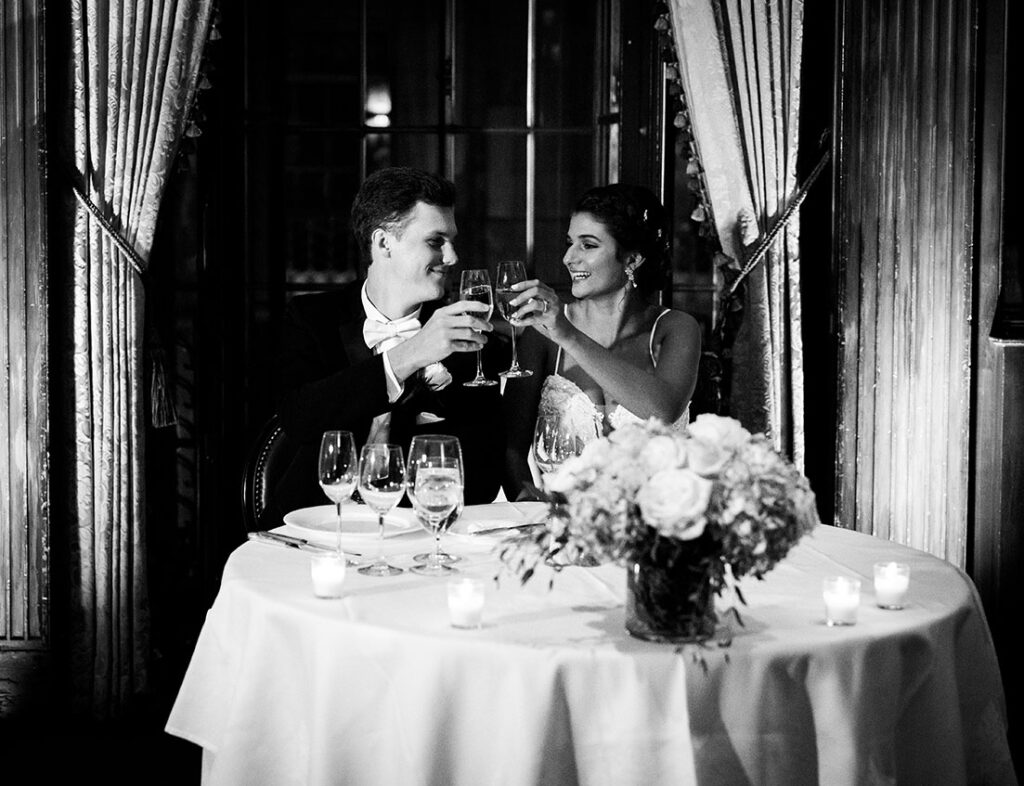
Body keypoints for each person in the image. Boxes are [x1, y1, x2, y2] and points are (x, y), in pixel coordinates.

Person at [261, 167, 505, 528]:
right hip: (312, 525)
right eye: (436, 241)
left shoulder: (465, 334)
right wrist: (411, 354)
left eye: (452, 241)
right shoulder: (312, 318)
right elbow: (300, 421)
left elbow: (483, 479)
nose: (452, 257)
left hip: (422, 534)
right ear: (383, 244)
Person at [501, 184, 701, 500]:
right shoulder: (542, 336)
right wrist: (537, 516)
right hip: (558, 530)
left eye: (588, 245)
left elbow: (662, 409)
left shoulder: (675, 329)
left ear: (632, 260)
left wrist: (568, 335)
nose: (569, 258)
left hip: (650, 532)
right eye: (570, 243)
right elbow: (510, 450)